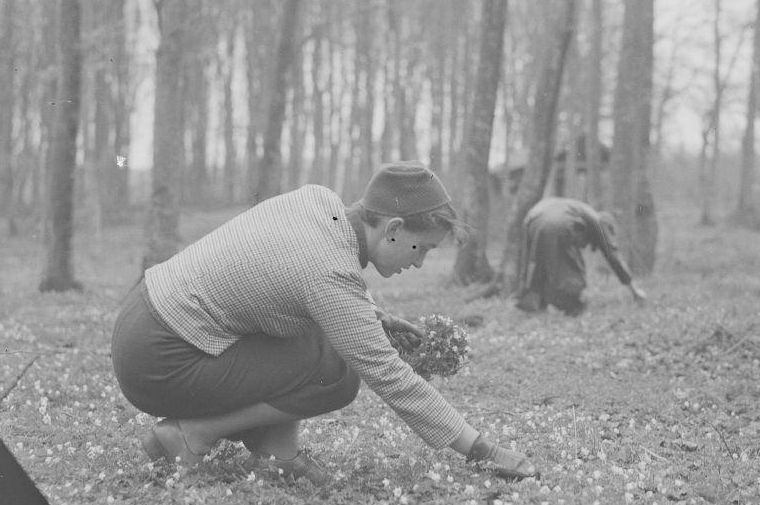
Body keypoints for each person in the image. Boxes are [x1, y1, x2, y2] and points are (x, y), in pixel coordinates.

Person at [111, 163, 537, 483]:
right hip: (160, 358)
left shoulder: (321, 204)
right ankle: (191, 436)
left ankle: (277, 452)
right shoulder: (329, 271)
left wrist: (374, 317)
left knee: (319, 341)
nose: (419, 262)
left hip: (144, 320)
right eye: (420, 248)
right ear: (393, 227)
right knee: (336, 371)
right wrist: (480, 450)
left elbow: (299, 274)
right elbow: (387, 374)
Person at [515, 197, 647, 316]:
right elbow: (613, 256)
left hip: (532, 220)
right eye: (586, 242)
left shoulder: (581, 212)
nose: (584, 246)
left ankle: (535, 304)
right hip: (558, 223)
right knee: (572, 272)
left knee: (537, 264)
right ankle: (573, 307)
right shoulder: (597, 222)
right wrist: (634, 290)